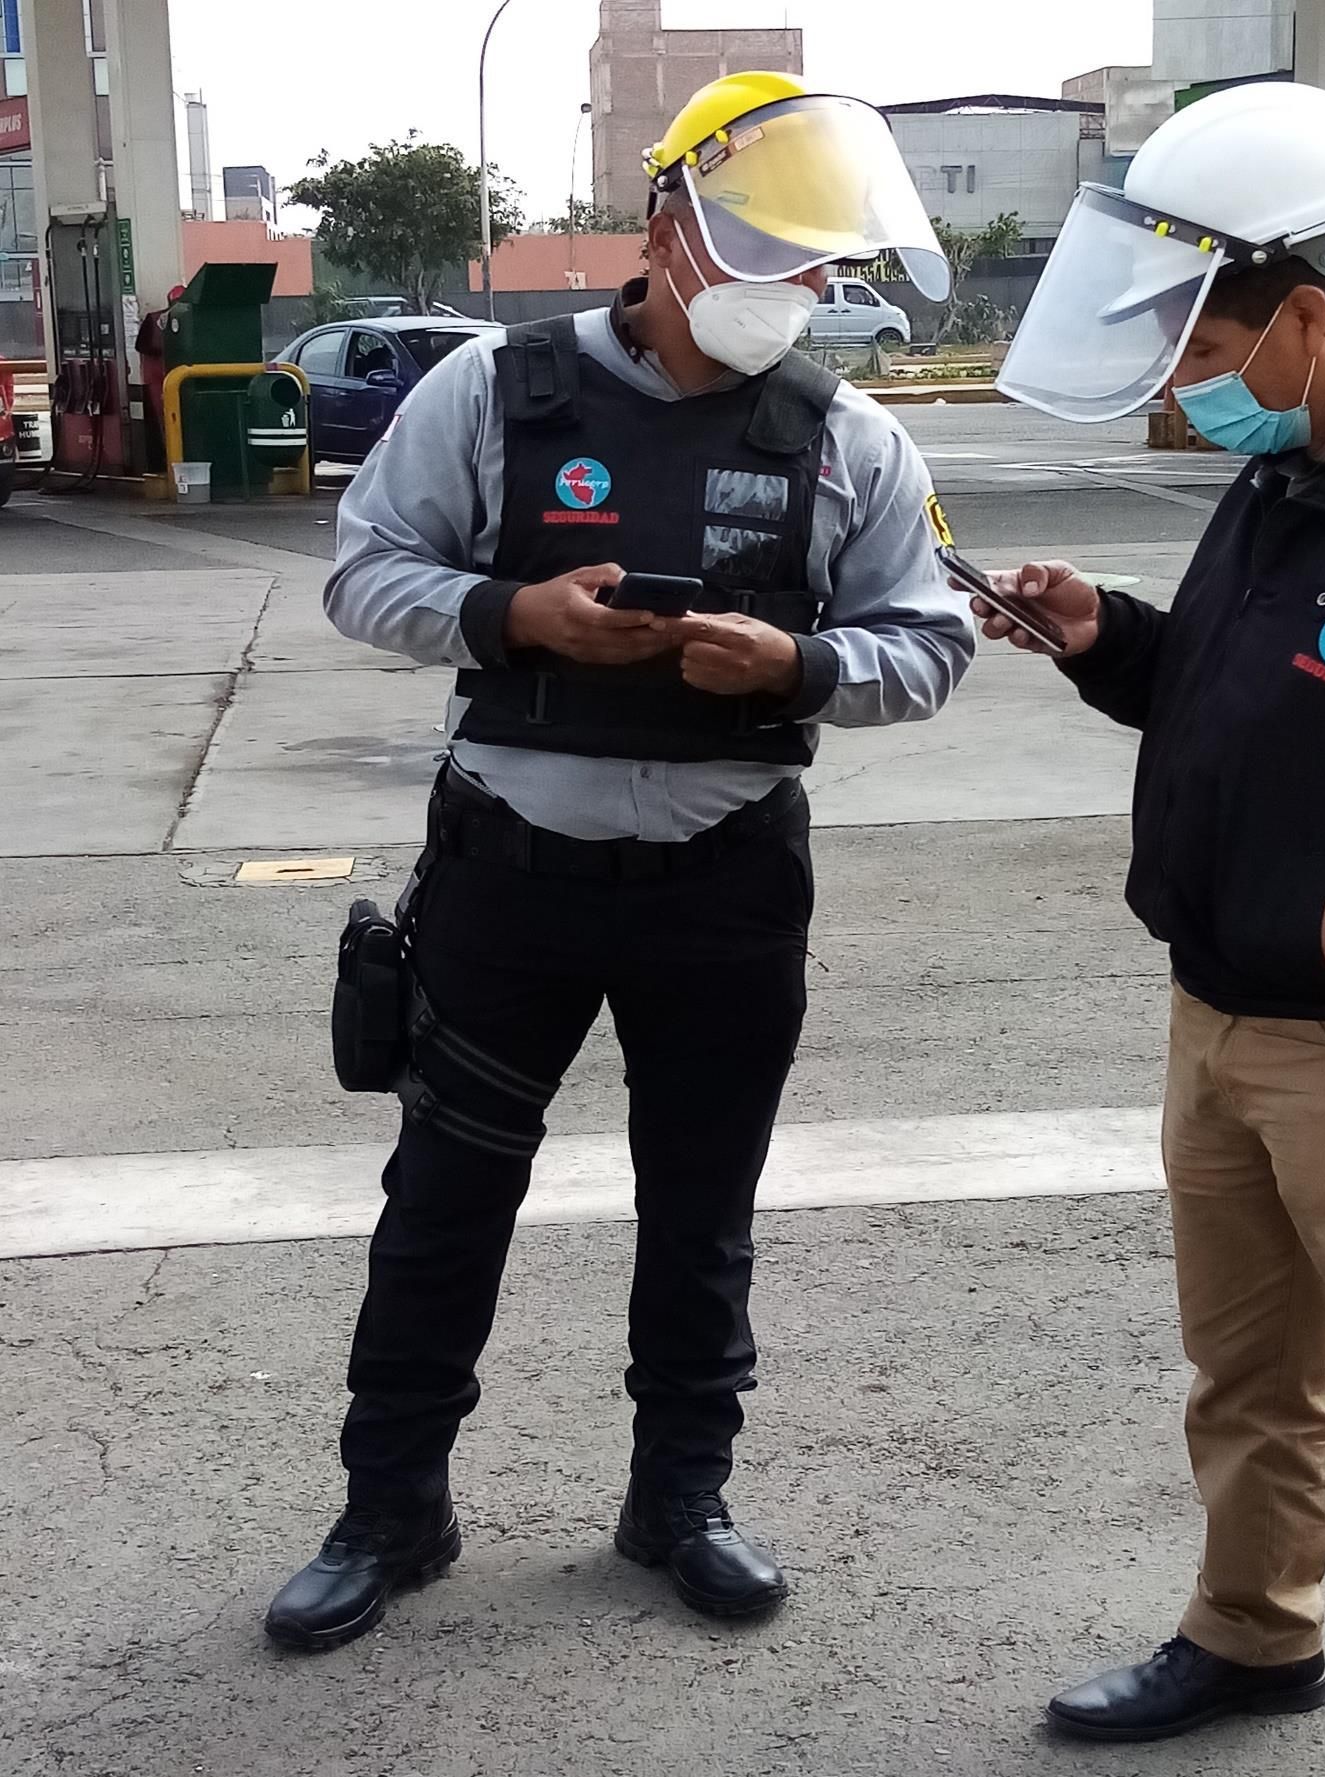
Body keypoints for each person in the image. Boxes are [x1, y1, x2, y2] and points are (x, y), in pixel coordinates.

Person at [264, 71, 972, 1652]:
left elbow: (925, 644)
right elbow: (366, 571)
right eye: (764, 258)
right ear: (667, 233)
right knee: (443, 1198)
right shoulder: (498, 395)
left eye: (816, 271)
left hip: (726, 879)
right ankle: (391, 1508)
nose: (791, 298)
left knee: (701, 1206)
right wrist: (511, 616)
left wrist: (791, 669)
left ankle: (679, 1499)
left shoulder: (837, 432)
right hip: (510, 870)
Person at [987, 81, 1325, 1777]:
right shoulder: (1288, 480)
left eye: (1205, 344)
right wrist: (1102, 636)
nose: (1190, 383)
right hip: (1217, 1015)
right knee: (1245, 1372)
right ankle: (1252, 1632)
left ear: (1311, 320)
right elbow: (1231, 699)